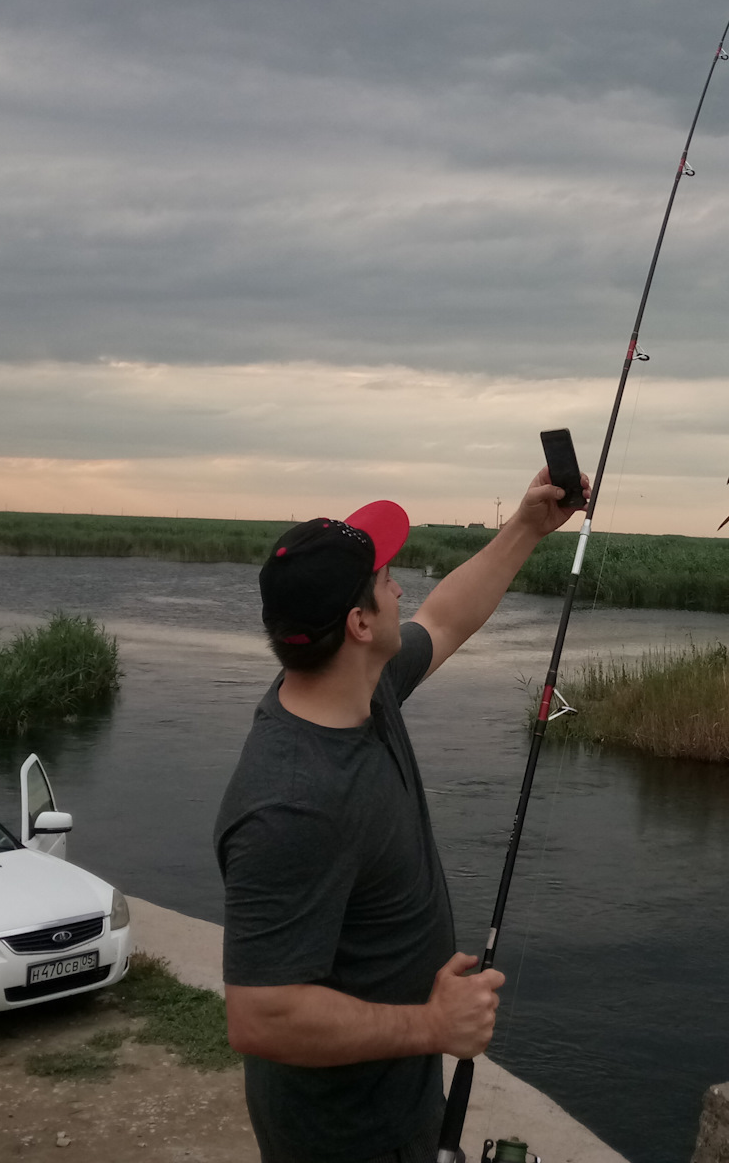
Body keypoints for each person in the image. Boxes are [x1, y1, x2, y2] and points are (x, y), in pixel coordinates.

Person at [214, 464, 589, 1163]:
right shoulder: (291, 804)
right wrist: (431, 1025)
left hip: (397, 1106)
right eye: (385, 578)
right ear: (358, 623)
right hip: (342, 1136)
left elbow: (445, 618)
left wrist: (529, 527)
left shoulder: (361, 685)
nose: (400, 586)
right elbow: (261, 1016)